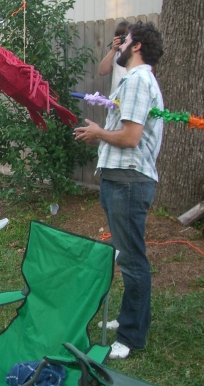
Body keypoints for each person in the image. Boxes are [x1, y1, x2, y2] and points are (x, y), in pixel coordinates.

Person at [74, 21, 164, 360]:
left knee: (132, 261)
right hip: (119, 180)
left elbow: (130, 137)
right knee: (126, 256)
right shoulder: (132, 80)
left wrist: (99, 133)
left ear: (136, 46)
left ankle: (130, 337)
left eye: (124, 41)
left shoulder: (139, 81)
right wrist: (97, 136)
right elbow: (123, 135)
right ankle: (129, 319)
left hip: (129, 182)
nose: (120, 45)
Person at [98, 21, 130, 95]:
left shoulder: (137, 55)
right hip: (115, 98)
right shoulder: (116, 54)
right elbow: (102, 71)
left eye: (125, 36)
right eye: (119, 36)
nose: (122, 39)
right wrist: (113, 50)